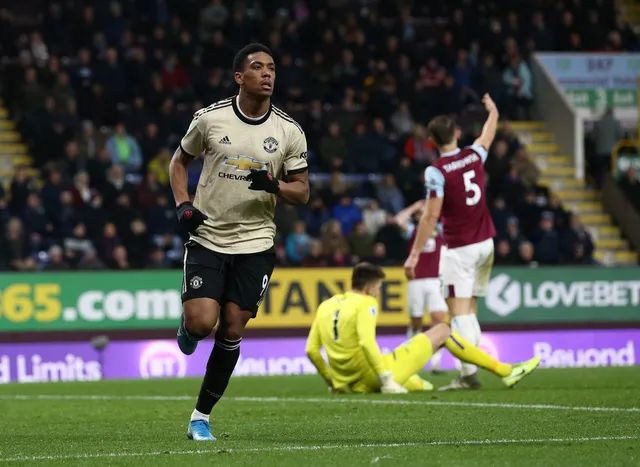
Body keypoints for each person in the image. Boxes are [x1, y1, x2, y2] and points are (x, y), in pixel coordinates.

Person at [169, 43, 310, 441]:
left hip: (256, 242)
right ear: (239, 77)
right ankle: (188, 326)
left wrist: (276, 185)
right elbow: (178, 161)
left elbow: (303, 192)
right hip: (209, 235)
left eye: (272, 68)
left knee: (232, 328)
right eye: (258, 67)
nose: (267, 74)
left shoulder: (288, 131)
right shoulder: (209, 120)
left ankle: (201, 416)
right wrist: (183, 205)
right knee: (201, 323)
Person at [404, 94, 527, 390]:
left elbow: (430, 217)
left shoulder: (436, 171)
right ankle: (469, 372)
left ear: (432, 141)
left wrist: (414, 255)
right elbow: (488, 133)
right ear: (457, 133)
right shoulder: (474, 155)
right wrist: (493, 110)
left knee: (457, 314)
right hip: (487, 244)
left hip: (460, 249)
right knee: (470, 309)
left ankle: (468, 375)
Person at [305, 262, 540, 394]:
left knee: (420, 383)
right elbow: (367, 343)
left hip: (352, 383)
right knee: (443, 330)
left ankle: (413, 381)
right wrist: (385, 379)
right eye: (378, 287)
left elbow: (311, 350)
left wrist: (332, 382)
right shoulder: (366, 303)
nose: (378, 292)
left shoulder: (326, 305)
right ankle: (506, 371)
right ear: (369, 287)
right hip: (375, 376)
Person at [393, 200, 447, 374]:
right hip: (416, 280)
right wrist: (414, 206)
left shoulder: (440, 229)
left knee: (438, 321)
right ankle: (411, 358)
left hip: (436, 280)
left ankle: (436, 363)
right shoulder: (413, 232)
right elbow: (398, 220)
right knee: (416, 321)